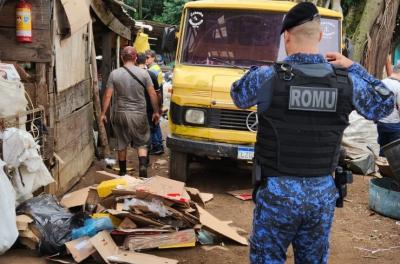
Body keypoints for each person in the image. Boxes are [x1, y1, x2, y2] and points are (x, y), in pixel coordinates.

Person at [230, 3, 394, 264]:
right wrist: (354, 67)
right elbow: (384, 104)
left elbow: (238, 94)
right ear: (319, 37)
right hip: (321, 195)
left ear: (286, 37)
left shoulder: (267, 77)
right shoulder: (346, 81)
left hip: (276, 194)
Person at [101, 46, 160, 177]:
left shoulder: (114, 74)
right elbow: (152, 94)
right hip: (139, 114)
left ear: (122, 57)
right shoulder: (144, 74)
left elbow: (107, 96)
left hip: (120, 114)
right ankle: (143, 168)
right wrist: (156, 111)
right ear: (135, 57)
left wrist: (103, 113)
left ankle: (122, 172)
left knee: (121, 143)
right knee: (142, 142)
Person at [136, 53, 163, 160]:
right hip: (150, 107)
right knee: (151, 129)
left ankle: (149, 151)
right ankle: (149, 153)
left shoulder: (131, 75)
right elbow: (157, 94)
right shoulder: (151, 74)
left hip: (136, 108)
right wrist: (158, 108)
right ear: (145, 61)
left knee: (141, 133)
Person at [377, 61, 400, 156]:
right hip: (394, 124)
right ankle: (390, 169)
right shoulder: (398, 86)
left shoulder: (381, 83)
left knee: (383, 148)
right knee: (394, 152)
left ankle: (382, 167)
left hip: (381, 122)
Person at [145, 49, 164, 155]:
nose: (146, 60)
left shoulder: (153, 71)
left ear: (153, 57)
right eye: (145, 58)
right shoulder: (156, 68)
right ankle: (159, 145)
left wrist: (158, 105)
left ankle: (157, 146)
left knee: (153, 124)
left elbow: (156, 90)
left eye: (148, 57)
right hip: (157, 99)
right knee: (156, 123)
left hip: (154, 100)